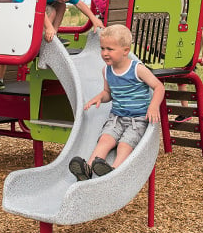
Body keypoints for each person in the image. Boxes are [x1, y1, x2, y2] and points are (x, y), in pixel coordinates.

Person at [68, 24, 165, 181]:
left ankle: (114, 170)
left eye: (110, 49)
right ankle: (88, 168)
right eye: (102, 48)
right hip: (116, 118)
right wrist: (99, 97)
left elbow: (158, 86)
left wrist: (153, 106)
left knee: (124, 145)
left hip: (138, 119)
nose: (105, 53)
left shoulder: (137, 69)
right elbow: (109, 93)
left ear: (125, 51)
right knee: (105, 140)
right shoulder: (106, 70)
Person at [174, 29, 203, 123]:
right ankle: (185, 110)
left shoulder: (193, 20)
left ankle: (186, 110)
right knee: (181, 83)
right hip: (178, 52)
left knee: (182, 82)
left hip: (187, 54)